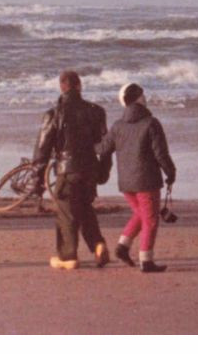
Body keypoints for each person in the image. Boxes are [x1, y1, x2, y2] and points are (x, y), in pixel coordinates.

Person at [34, 70, 112, 270]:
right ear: (79, 86)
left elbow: (42, 148)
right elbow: (106, 146)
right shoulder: (97, 111)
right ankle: (98, 244)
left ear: (62, 87)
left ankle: (68, 256)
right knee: (85, 209)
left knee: (66, 212)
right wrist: (104, 171)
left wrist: (37, 179)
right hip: (90, 169)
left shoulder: (53, 114)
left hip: (66, 170)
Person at [98, 83, 177, 273]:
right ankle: (146, 260)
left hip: (126, 183)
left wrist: (80, 145)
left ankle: (122, 247)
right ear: (138, 99)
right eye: (142, 94)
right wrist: (170, 172)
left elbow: (102, 149)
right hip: (146, 181)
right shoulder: (151, 123)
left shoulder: (118, 126)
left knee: (142, 214)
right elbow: (161, 153)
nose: (145, 97)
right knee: (150, 220)